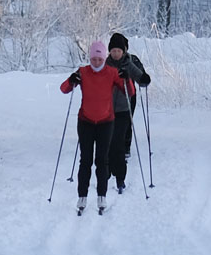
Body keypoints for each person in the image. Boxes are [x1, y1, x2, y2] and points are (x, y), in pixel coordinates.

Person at [60, 40, 126, 213]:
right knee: (85, 160)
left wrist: (126, 78)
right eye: (94, 59)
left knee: (102, 161)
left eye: (99, 59)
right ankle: (82, 196)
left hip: (106, 122)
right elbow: (64, 89)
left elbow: (129, 91)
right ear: (90, 58)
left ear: (104, 57)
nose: (96, 62)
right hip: (86, 122)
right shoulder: (83, 72)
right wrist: (71, 80)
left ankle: (101, 196)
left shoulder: (112, 72)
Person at [105, 32, 151, 193]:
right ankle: (107, 170)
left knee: (118, 140)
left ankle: (120, 176)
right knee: (107, 141)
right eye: (113, 51)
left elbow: (140, 77)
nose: (116, 53)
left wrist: (144, 79)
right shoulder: (105, 64)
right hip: (107, 108)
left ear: (123, 51)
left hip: (125, 106)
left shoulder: (129, 63)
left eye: (119, 51)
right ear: (109, 51)